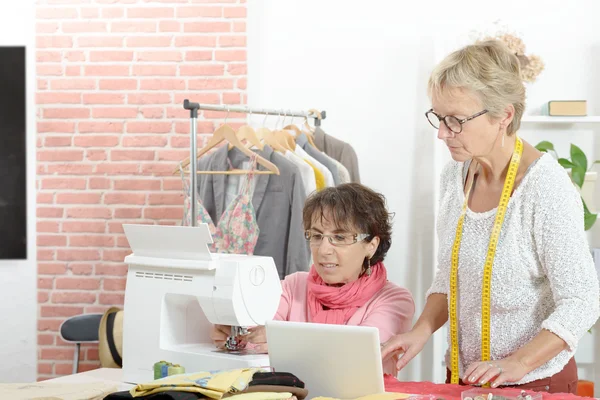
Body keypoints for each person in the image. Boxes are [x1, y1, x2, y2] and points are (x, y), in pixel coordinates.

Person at [382, 40, 599, 394]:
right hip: (470, 380)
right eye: (438, 117)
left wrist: (519, 362)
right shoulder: (456, 177)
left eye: (456, 121)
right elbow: (449, 275)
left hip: (536, 383)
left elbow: (582, 301)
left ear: (505, 116)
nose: (442, 133)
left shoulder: (545, 189)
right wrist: (420, 331)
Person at [212, 183, 415, 374]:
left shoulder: (394, 300)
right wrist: (236, 337)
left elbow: (356, 356)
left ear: (371, 244)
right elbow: (257, 335)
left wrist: (282, 340)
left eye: (340, 237)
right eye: (317, 236)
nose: (324, 250)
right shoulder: (293, 286)